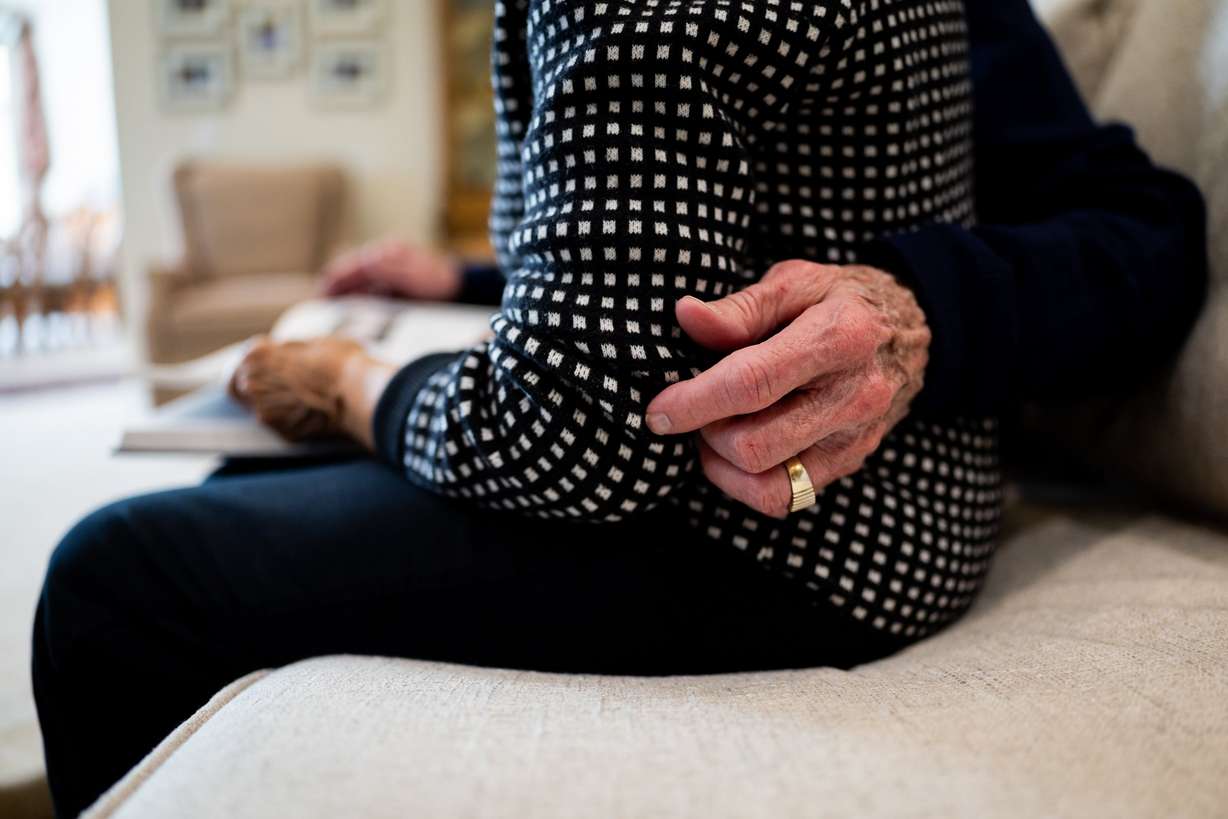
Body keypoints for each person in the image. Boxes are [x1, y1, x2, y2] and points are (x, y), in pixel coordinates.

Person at [34, 0, 1207, 815]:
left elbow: (579, 435)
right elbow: (698, 251)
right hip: (868, 515)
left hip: (779, 526)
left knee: (118, 580)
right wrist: (471, 285)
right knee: (236, 492)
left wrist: (349, 384)